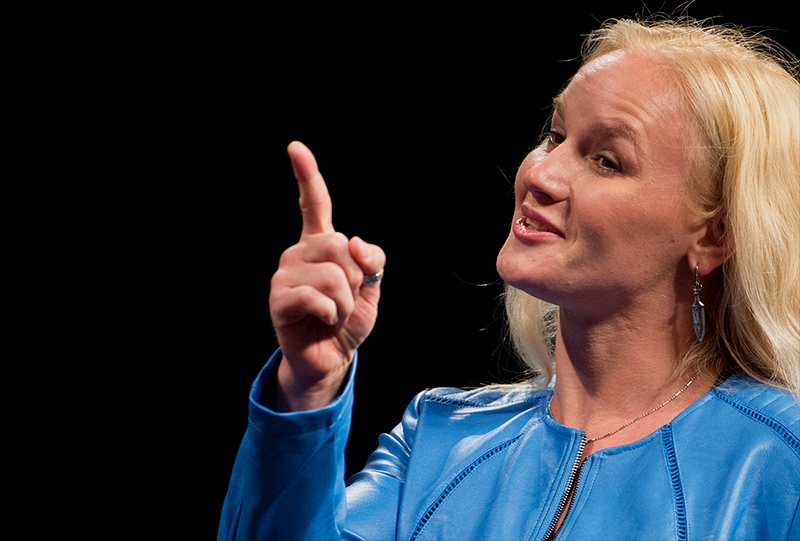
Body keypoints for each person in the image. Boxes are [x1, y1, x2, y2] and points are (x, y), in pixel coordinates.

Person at [219, 17, 800, 541]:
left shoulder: (780, 458)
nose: (540, 174)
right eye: (555, 136)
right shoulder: (439, 437)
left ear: (714, 236)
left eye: (606, 160)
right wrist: (307, 391)